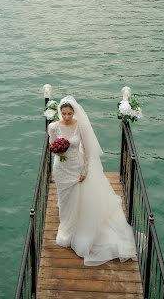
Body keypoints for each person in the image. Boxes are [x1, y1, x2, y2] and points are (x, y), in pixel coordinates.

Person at [47, 95, 137, 266]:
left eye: (69, 113)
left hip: (77, 167)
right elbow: (52, 146)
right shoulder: (53, 127)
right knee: (64, 198)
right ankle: (65, 226)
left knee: (76, 197)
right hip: (60, 168)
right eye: (64, 113)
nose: (66, 116)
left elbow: (88, 151)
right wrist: (58, 151)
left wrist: (85, 170)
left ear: (74, 113)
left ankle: (73, 228)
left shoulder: (79, 126)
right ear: (60, 112)